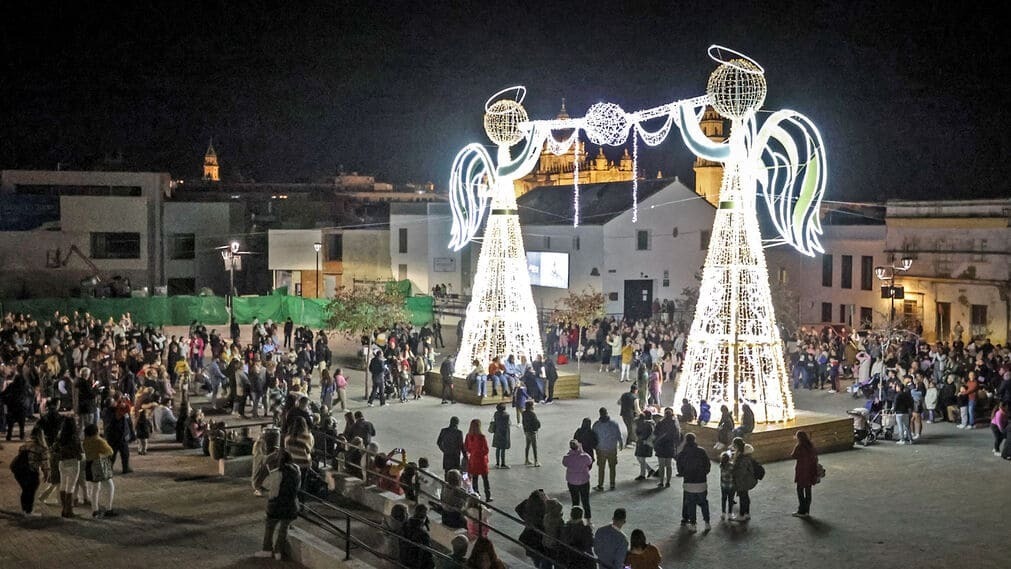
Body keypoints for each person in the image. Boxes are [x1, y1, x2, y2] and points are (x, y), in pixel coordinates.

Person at [255, 449, 301, 560]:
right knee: (283, 529)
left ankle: (267, 549)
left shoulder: (277, 473)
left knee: (270, 527)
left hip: (277, 506)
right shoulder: (297, 470)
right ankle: (278, 551)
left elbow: (273, 492)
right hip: (292, 505)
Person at [676, 432, 711, 531]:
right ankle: (707, 522)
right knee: (704, 503)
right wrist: (703, 474)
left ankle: (693, 524)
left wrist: (684, 474)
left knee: (691, 504)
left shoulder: (682, 453)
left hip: (689, 483)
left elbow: (680, 469)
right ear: (695, 440)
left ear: (686, 441)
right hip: (701, 482)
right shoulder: (702, 451)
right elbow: (708, 466)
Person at [11, 425, 49, 516]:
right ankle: (29, 511)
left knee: (25, 490)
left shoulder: (23, 446)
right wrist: (46, 474)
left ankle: (24, 510)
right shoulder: (42, 448)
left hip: (19, 472)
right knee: (31, 491)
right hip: (31, 472)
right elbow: (44, 464)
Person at [83, 423, 116, 519]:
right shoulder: (98, 441)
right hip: (99, 465)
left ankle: (95, 510)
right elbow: (110, 451)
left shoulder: (85, 441)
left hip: (90, 464)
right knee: (110, 486)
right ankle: (109, 508)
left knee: (95, 488)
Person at [54, 417, 82, 518]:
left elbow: (55, 448)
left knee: (63, 485)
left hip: (62, 462)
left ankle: (64, 509)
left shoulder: (60, 435)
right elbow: (79, 451)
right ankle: (68, 510)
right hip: (73, 462)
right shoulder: (75, 436)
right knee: (71, 487)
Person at [591, 407, 623, 491]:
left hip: (601, 449)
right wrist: (621, 443)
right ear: (607, 413)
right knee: (612, 467)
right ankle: (612, 484)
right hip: (612, 448)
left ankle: (600, 485)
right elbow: (619, 435)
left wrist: (594, 447)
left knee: (601, 468)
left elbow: (593, 437)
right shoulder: (614, 424)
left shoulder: (596, 425)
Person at [563, 439, 594, 521]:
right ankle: (588, 519)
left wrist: (570, 453)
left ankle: (575, 518)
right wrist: (582, 451)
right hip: (584, 481)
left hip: (572, 482)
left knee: (575, 500)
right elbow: (590, 461)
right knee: (585, 501)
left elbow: (564, 463)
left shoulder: (567, 458)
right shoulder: (585, 457)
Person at [730, 437, 758, 522]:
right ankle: (747, 513)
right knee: (745, 496)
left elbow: (741, 471)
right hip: (747, 479)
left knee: (743, 497)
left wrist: (733, 470)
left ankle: (742, 515)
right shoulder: (745, 454)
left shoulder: (742, 457)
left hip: (743, 480)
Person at [791, 430, 818, 517]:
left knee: (800, 490)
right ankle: (807, 511)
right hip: (810, 471)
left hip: (802, 471)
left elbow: (793, 455)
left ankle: (801, 510)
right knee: (808, 491)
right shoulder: (811, 445)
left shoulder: (799, 446)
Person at [464, 418, 491, 501]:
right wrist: (481, 454)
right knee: (485, 479)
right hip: (482, 460)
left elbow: (466, 447)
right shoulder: (482, 437)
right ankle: (488, 496)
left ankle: (476, 494)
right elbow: (486, 449)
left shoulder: (468, 436)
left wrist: (472, 452)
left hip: (473, 460)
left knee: (475, 479)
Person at [652, 407, 680, 488]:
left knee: (661, 466)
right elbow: (677, 436)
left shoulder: (660, 423)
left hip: (661, 446)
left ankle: (661, 481)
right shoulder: (675, 424)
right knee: (669, 465)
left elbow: (655, 433)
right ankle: (668, 482)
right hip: (670, 446)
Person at [633, 411, 657, 481]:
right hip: (643, 443)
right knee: (640, 458)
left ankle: (643, 474)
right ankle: (649, 470)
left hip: (645, 443)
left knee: (641, 458)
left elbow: (646, 435)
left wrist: (641, 438)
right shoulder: (649, 423)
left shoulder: (648, 425)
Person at [491, 403, 511, 469]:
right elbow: (509, 423)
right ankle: (503, 464)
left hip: (497, 432)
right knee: (503, 449)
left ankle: (497, 463)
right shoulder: (506, 415)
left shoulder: (496, 414)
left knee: (498, 448)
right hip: (504, 433)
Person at [522, 401, 542, 467]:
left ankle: (526, 459)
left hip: (527, 431)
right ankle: (536, 461)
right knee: (534, 446)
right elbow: (536, 422)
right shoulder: (532, 414)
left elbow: (523, 422)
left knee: (527, 445)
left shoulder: (524, 413)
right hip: (532, 431)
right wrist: (538, 427)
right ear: (531, 406)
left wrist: (524, 430)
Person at [718, 451, 735, 521]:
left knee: (724, 499)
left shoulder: (721, 465)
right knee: (731, 500)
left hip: (723, 485)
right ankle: (730, 514)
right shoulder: (731, 465)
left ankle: (723, 513)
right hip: (731, 485)